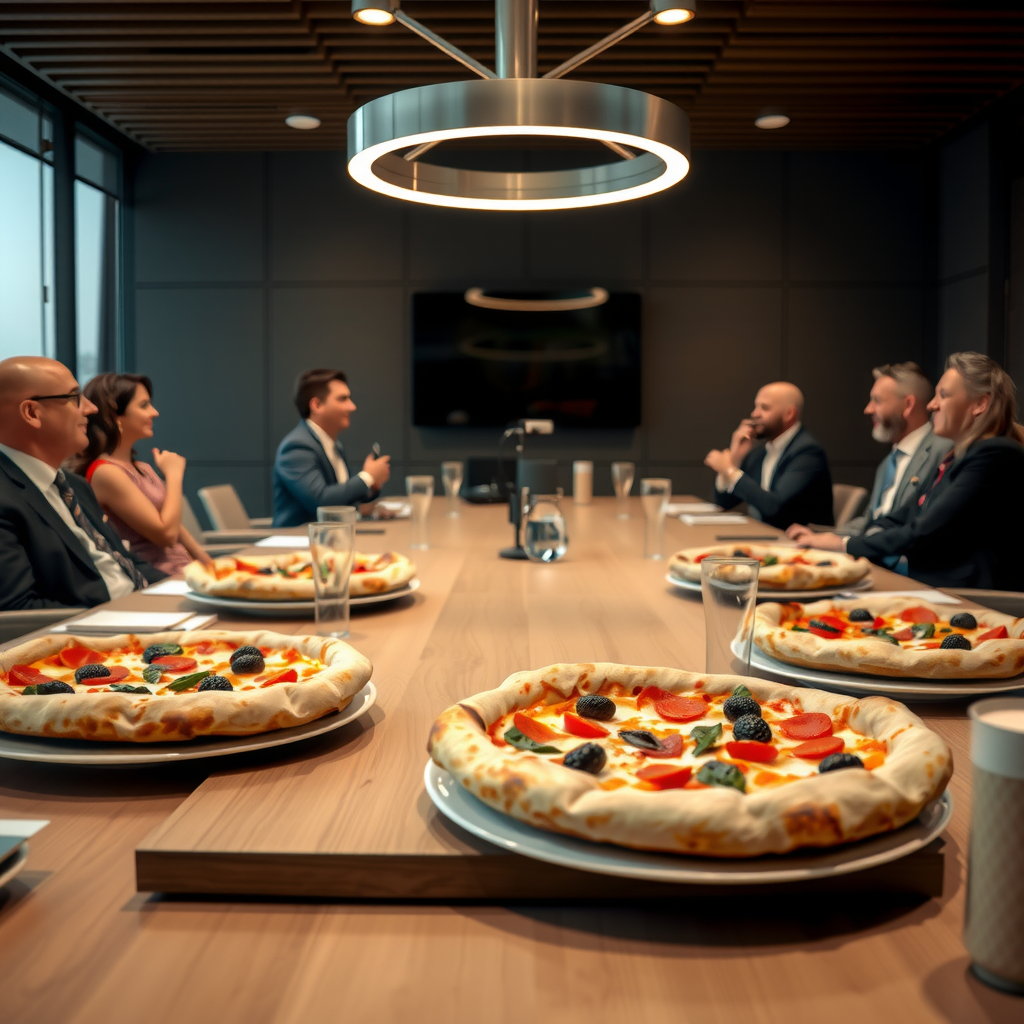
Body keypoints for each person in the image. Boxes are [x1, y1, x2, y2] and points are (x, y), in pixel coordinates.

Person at [789, 352, 1024, 590]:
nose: (932, 405)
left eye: (943, 395)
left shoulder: (995, 454)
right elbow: (903, 515)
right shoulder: (958, 456)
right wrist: (836, 539)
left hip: (967, 601)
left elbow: (922, 532)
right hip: (934, 589)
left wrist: (845, 545)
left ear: (981, 404)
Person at [0, 356, 165, 610]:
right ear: (32, 413)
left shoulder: (75, 486)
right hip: (99, 633)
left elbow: (129, 563)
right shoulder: (5, 497)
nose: (91, 408)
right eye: (75, 397)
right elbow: (19, 611)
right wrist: (119, 621)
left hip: (140, 612)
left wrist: (183, 593)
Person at [70, 373, 210, 575]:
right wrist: (174, 476)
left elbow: (177, 529)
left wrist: (212, 567)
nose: (154, 413)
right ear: (114, 415)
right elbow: (166, 535)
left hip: (183, 573)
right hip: (154, 579)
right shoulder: (105, 472)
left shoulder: (143, 468)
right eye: (144, 405)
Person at [825, 362, 951, 537]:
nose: (868, 409)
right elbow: (871, 520)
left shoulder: (944, 452)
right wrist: (828, 537)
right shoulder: (888, 462)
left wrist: (842, 544)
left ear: (908, 405)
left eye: (877, 401)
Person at [704, 381, 833, 530]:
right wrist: (735, 459)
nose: (754, 414)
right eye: (756, 406)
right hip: (764, 538)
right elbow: (724, 503)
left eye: (764, 408)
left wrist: (729, 470)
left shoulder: (807, 452)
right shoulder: (761, 452)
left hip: (799, 545)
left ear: (789, 414)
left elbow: (774, 507)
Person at [272, 369, 391, 527]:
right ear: (317, 405)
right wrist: (368, 476)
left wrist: (372, 486)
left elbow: (342, 499)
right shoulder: (296, 447)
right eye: (343, 399)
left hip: (329, 539)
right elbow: (322, 502)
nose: (352, 406)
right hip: (298, 544)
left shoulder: (333, 445)